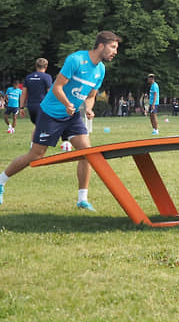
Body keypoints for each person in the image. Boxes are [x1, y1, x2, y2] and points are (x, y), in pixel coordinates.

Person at [0, 30, 121, 209]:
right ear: (101, 46)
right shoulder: (76, 60)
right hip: (51, 113)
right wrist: (66, 104)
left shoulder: (100, 70)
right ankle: (1, 181)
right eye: (113, 47)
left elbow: (91, 95)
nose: (115, 51)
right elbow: (57, 87)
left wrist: (88, 108)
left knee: (87, 153)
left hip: (72, 116)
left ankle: (82, 200)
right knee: (36, 155)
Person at [19, 58, 53, 126]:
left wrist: (21, 108)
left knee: (38, 127)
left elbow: (23, 94)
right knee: (44, 128)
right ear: (46, 66)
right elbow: (50, 93)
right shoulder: (47, 77)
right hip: (43, 106)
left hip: (31, 106)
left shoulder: (28, 77)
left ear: (36, 66)